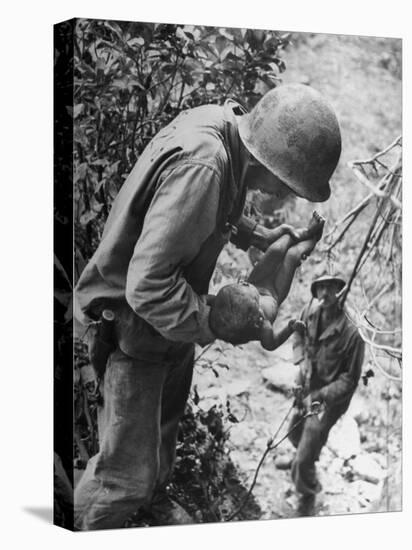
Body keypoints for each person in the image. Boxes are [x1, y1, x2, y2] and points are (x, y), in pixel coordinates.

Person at [73, 83, 341, 530]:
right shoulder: (206, 166)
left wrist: (256, 237)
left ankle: (145, 514)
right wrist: (217, 321)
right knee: (123, 479)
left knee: (159, 450)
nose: (288, 196)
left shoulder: (229, 135)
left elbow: (211, 209)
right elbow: (148, 287)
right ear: (269, 162)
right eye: (290, 184)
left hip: (166, 329)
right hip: (131, 329)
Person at [287, 273, 365, 515]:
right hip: (308, 385)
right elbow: (297, 333)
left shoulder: (352, 332)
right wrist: (299, 360)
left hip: (330, 401)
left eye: (331, 288)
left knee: (308, 444)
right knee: (293, 431)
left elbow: (350, 380)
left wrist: (321, 395)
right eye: (320, 288)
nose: (325, 294)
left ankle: (308, 491)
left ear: (340, 291)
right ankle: (304, 460)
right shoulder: (310, 312)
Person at [209, 211, 325, 350]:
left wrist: (205, 299)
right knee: (292, 256)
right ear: (258, 316)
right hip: (275, 292)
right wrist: (289, 329)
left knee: (276, 249)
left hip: (258, 281)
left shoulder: (226, 306)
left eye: (241, 284)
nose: (244, 282)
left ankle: (305, 232)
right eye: (244, 285)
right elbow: (271, 345)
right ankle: (313, 239)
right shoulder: (263, 326)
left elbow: (209, 300)